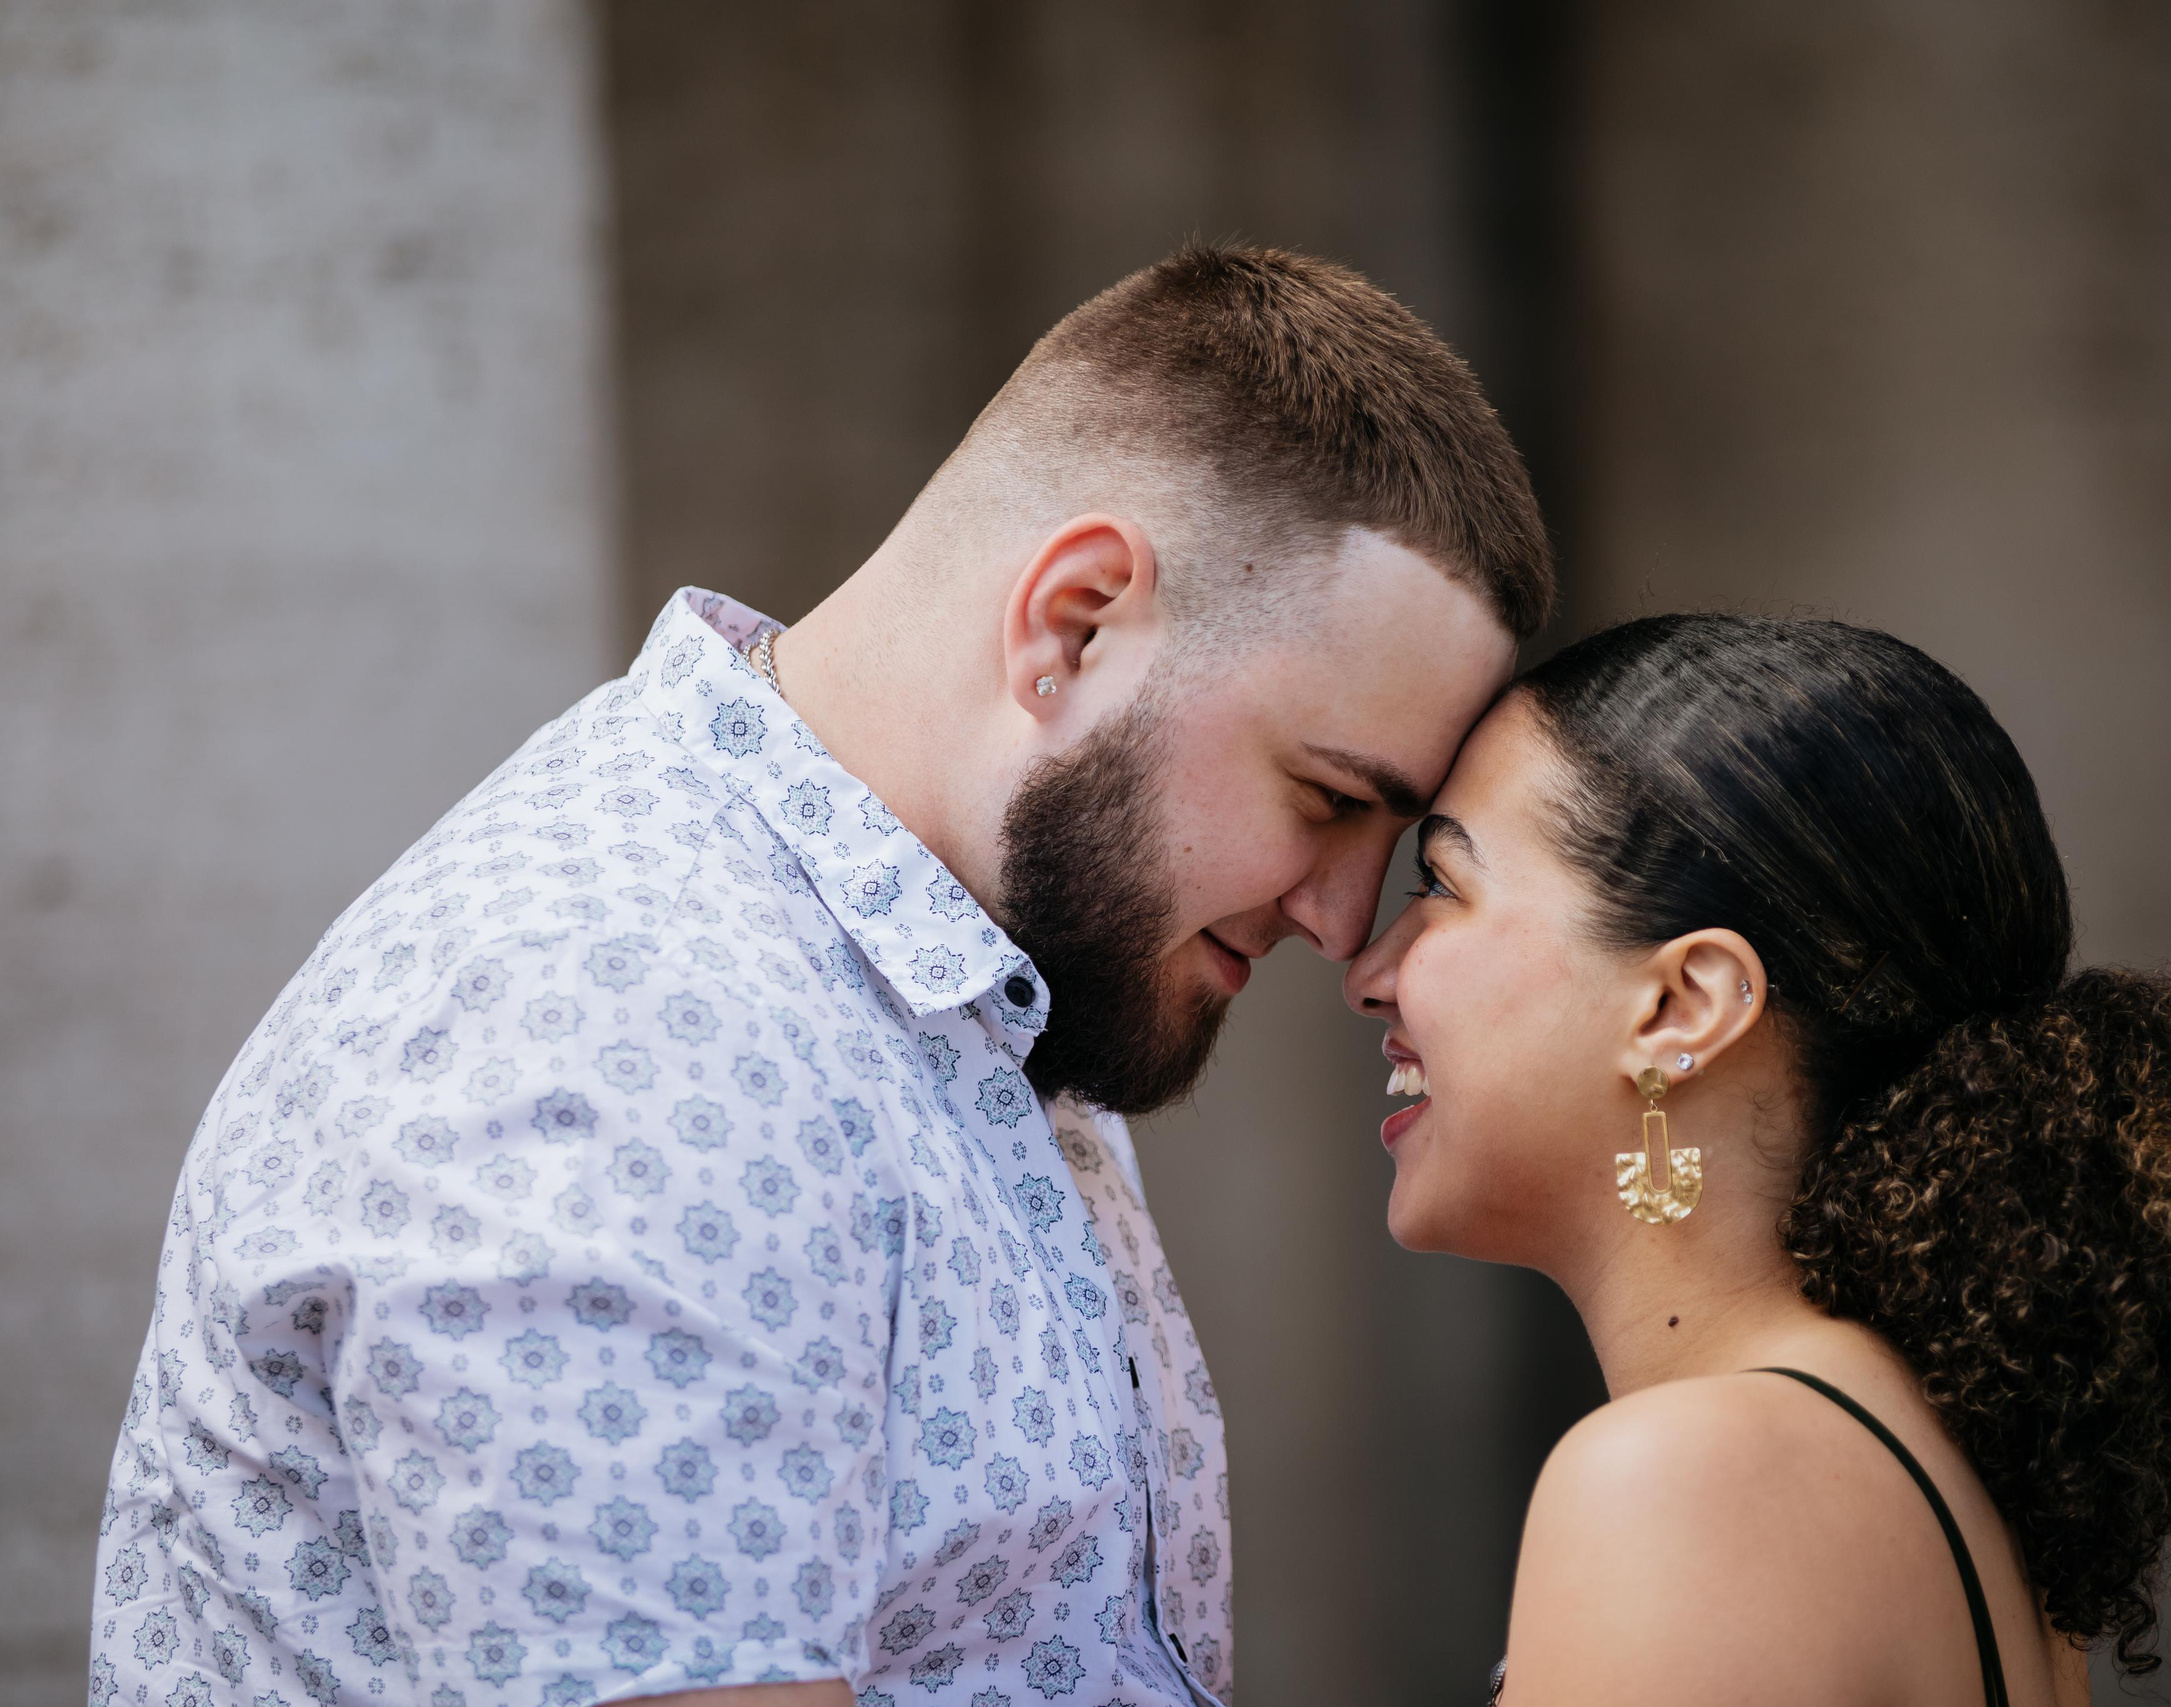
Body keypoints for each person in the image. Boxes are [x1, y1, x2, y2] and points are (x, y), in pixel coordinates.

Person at [90, 244, 1547, 1707]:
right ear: (1077, 621)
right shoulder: (624, 1022)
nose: (1348, 918)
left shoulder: (966, 963)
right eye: (1325, 794)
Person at [1346, 614, 2171, 1706]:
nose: (1368, 972)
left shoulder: (1692, 1479)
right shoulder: (1921, 1468)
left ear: (1681, 1004)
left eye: (1440, 885)